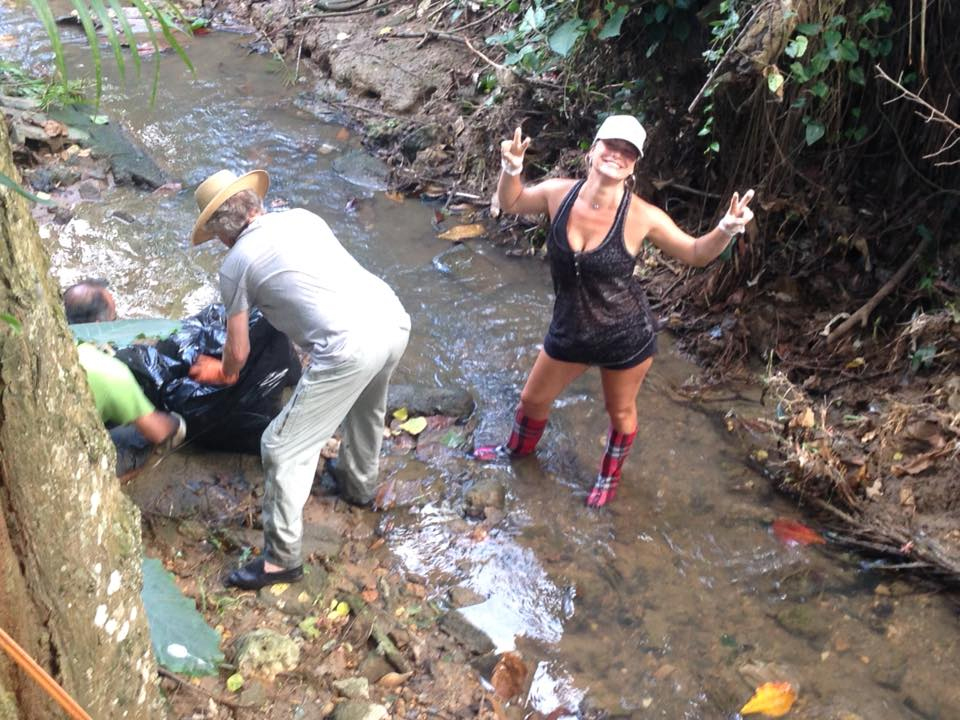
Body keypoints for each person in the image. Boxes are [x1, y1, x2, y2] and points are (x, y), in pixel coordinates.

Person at [475, 115, 755, 508]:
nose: (617, 155)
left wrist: (726, 228)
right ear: (592, 150)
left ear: (634, 165)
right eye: (611, 145)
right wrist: (512, 167)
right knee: (532, 400)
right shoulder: (558, 193)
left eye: (628, 152)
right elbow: (512, 202)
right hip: (570, 328)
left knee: (619, 411)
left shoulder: (642, 216)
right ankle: (517, 453)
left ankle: (608, 477)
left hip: (624, 334)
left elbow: (695, 253)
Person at [188, 169, 410, 590]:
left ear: (220, 233)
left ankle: (281, 561)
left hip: (349, 346)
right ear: (255, 204)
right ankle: (358, 485)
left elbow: (237, 352)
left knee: (280, 446)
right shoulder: (302, 218)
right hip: (392, 319)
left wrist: (223, 372)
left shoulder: (235, 264)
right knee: (367, 408)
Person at [64, 280, 186, 451]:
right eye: (114, 319)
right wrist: (176, 423)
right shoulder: (111, 372)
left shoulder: (48, 345)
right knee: (139, 433)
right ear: (98, 327)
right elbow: (158, 432)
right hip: (69, 452)